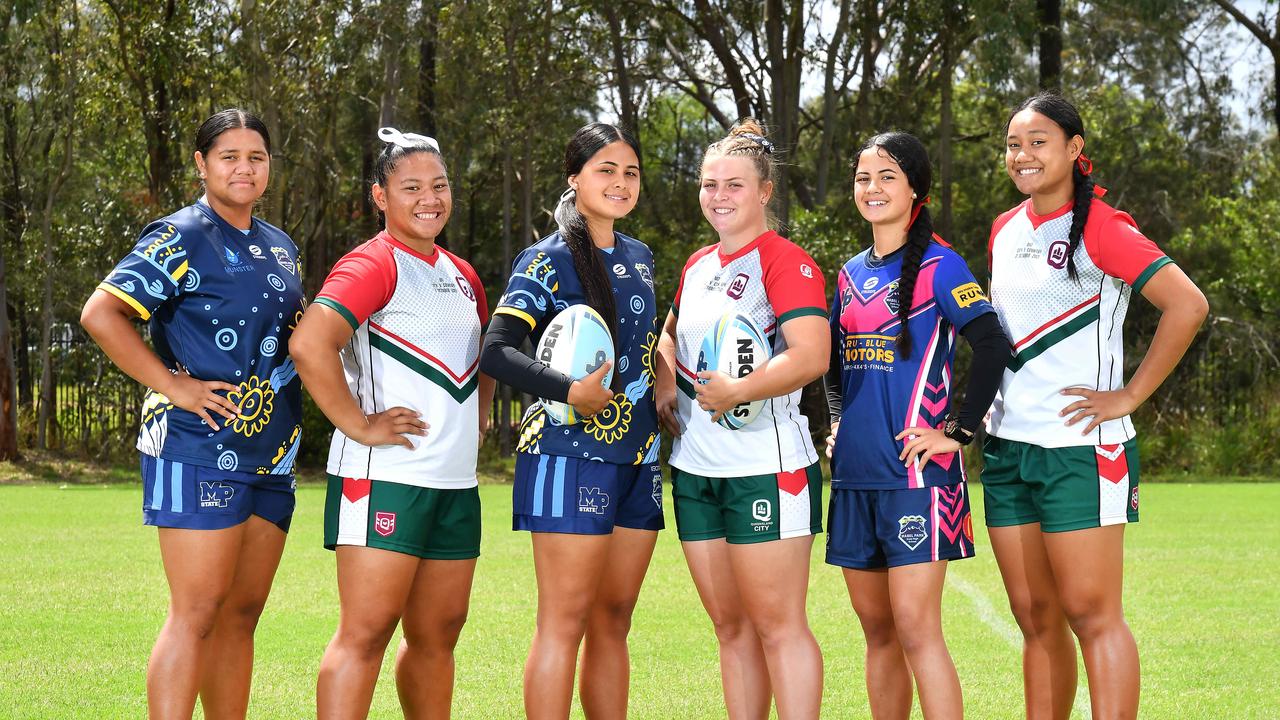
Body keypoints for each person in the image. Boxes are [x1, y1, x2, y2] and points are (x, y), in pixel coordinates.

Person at [985, 92, 1209, 719]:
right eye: (1013, 144)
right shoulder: (1004, 229)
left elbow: (1187, 304)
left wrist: (1130, 394)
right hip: (1009, 450)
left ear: (1073, 149)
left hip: (1083, 451)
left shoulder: (1104, 227)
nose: (1023, 155)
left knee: (1091, 613)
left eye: (1038, 142)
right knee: (1034, 616)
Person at [80, 109, 303, 719]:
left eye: (256, 157)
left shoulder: (281, 247)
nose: (244, 167)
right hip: (196, 444)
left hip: (273, 451)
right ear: (202, 165)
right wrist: (174, 386)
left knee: (241, 614)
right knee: (197, 612)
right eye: (228, 156)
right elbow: (101, 314)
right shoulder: (177, 236)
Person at [290, 127, 494, 719]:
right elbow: (310, 345)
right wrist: (359, 424)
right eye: (411, 188)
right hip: (386, 480)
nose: (429, 198)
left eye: (439, 185)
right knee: (367, 633)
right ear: (380, 196)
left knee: (439, 635)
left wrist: (478, 415)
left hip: (453, 484)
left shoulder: (462, 273)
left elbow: (481, 355)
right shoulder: (372, 264)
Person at [479, 122, 662, 720]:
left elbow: (642, 348)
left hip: (638, 458)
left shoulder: (640, 258)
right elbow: (498, 350)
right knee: (564, 622)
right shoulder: (547, 258)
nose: (619, 182)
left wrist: (665, 394)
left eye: (630, 172)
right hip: (567, 456)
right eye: (605, 170)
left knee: (614, 620)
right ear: (575, 179)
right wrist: (568, 391)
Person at [825, 131, 1010, 720]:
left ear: (916, 191)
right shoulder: (849, 274)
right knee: (877, 632)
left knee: (915, 629)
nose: (872, 188)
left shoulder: (941, 266)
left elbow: (993, 345)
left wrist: (955, 432)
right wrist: (835, 422)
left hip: (918, 478)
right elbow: (828, 363)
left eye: (887, 177)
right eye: (863, 178)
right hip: (855, 476)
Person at [654, 118, 827, 720]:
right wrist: (665, 375)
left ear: (764, 192)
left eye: (733, 185)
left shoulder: (785, 262)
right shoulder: (698, 264)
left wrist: (740, 390)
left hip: (767, 468)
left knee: (778, 627)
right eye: (708, 184)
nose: (718, 196)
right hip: (697, 473)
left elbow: (811, 355)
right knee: (730, 629)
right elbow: (669, 335)